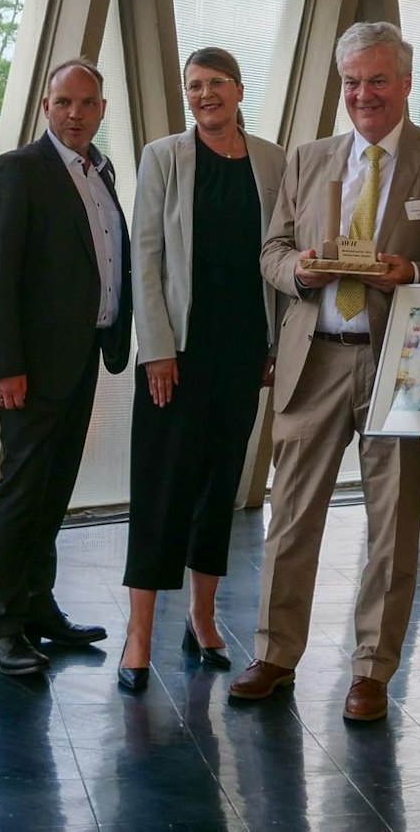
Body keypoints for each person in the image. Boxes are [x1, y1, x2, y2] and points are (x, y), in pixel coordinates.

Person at [229, 21, 420, 723]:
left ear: (404, 81)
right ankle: (276, 652)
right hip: (315, 358)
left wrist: (415, 271)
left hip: (402, 361)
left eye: (375, 79)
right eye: (351, 82)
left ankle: (372, 668)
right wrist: (298, 269)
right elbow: (271, 249)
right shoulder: (307, 160)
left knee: (396, 524)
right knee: (291, 516)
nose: (362, 93)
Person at [117, 48, 284, 693]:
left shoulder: (272, 160)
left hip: (243, 347)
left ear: (239, 90)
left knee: (219, 485)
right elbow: (147, 258)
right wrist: (156, 348)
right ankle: (138, 634)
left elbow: (279, 249)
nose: (205, 95)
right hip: (178, 350)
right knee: (162, 485)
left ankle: (204, 617)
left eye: (216, 84)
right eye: (194, 86)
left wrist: (272, 341)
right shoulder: (164, 157)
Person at [0, 59, 133, 678]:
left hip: (82, 354)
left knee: (52, 489)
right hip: (30, 369)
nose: (75, 114)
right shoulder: (18, 171)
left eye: (87, 104)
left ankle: (38, 608)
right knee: (20, 494)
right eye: (64, 102)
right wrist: (4, 367)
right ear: (46, 106)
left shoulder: (99, 172)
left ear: (101, 110)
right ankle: (2, 625)